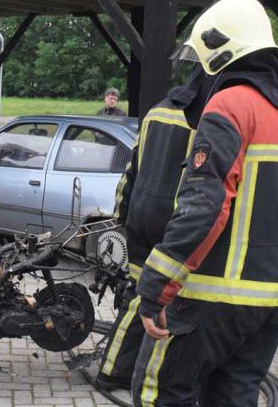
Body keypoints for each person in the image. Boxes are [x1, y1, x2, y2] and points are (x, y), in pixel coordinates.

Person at [131, 0, 278, 406]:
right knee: (235, 397)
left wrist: (156, 286)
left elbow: (205, 206)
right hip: (273, 305)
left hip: (211, 300)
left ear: (220, 51)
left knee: (159, 392)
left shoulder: (229, 106)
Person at [95, 67, 217, 392]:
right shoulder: (207, 120)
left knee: (137, 294)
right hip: (171, 223)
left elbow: (131, 168)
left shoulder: (157, 111)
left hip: (140, 216)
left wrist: (121, 214)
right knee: (151, 299)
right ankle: (114, 372)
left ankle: (116, 368)